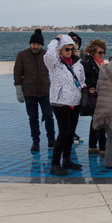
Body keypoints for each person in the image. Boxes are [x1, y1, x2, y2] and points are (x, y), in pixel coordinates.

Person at [43, 34, 85, 176]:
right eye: (66, 49)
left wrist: (85, 88)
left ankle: (67, 159)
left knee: (71, 132)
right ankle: (55, 163)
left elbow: (81, 79)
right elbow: (49, 54)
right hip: (60, 102)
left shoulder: (77, 63)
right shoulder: (54, 64)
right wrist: (55, 40)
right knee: (64, 131)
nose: (69, 52)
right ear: (60, 49)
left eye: (71, 49)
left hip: (75, 100)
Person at [12, 28, 55, 152]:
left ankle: (51, 139)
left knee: (49, 116)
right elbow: (17, 73)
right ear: (30, 43)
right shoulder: (22, 55)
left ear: (41, 45)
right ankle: (35, 141)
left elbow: (53, 72)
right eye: (33, 44)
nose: (35, 46)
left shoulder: (47, 55)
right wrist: (18, 90)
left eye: (37, 44)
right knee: (33, 117)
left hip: (45, 92)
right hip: (29, 92)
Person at [80, 39, 108, 155]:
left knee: (95, 120)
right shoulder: (88, 62)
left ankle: (92, 146)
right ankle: (103, 148)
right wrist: (91, 86)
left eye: (103, 52)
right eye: (100, 52)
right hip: (94, 95)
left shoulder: (99, 63)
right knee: (100, 121)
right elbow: (85, 77)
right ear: (92, 52)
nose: (102, 55)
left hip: (99, 94)